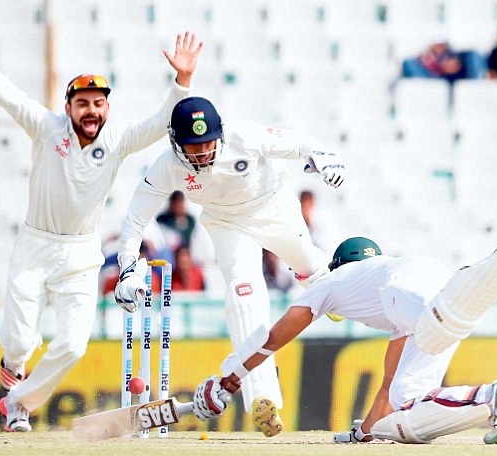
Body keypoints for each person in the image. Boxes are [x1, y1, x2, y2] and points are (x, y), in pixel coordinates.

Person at [0, 10, 202, 432]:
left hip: (80, 253)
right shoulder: (47, 128)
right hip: (34, 246)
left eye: (98, 103)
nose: (91, 111)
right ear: (69, 108)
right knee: (19, 342)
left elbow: (158, 124)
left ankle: (17, 404)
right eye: (82, 104)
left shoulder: (117, 139)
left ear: (107, 107)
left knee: (74, 346)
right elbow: (8, 97)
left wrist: (182, 82)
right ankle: (15, 373)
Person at [190, 219, 497, 443]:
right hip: (440, 280)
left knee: (438, 329)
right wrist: (363, 432)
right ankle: (494, 398)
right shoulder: (388, 292)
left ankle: (489, 393)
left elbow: (275, 336)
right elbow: (389, 389)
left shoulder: (333, 280)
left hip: (408, 293)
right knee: (409, 397)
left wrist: (232, 375)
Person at [114, 96, 346, 436]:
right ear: (176, 144)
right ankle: (263, 398)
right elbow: (135, 219)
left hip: (274, 210)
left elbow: (297, 143)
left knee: (314, 271)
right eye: (193, 147)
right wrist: (127, 268)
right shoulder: (167, 165)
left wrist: (325, 157)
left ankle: (323, 283)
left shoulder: (244, 137)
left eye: (208, 143)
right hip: (227, 225)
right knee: (243, 296)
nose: (203, 153)